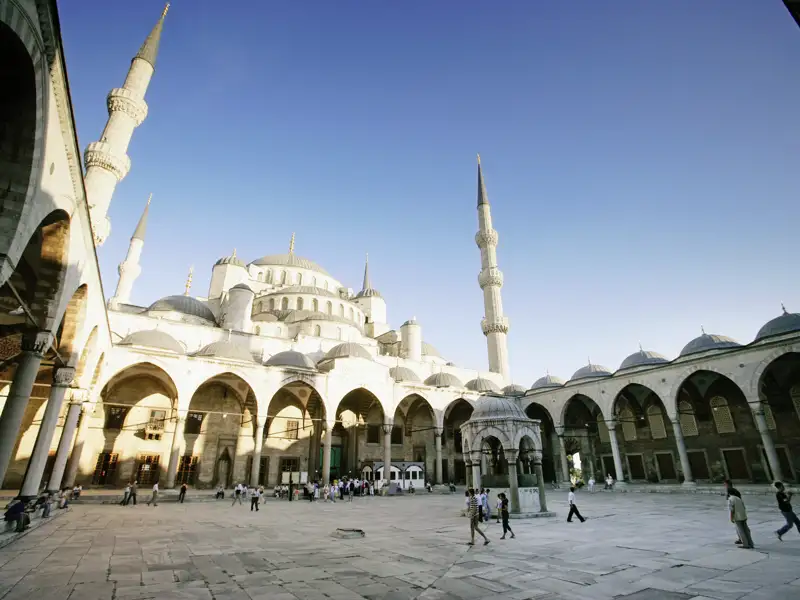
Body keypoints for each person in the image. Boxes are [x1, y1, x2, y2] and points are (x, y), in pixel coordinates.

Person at [724, 480, 743, 545]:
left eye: (725, 484)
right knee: (742, 526)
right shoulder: (734, 491)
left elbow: (731, 506)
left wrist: (731, 517)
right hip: (740, 510)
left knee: (739, 527)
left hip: (736, 511)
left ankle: (742, 539)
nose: (725, 486)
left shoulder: (731, 494)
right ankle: (744, 539)